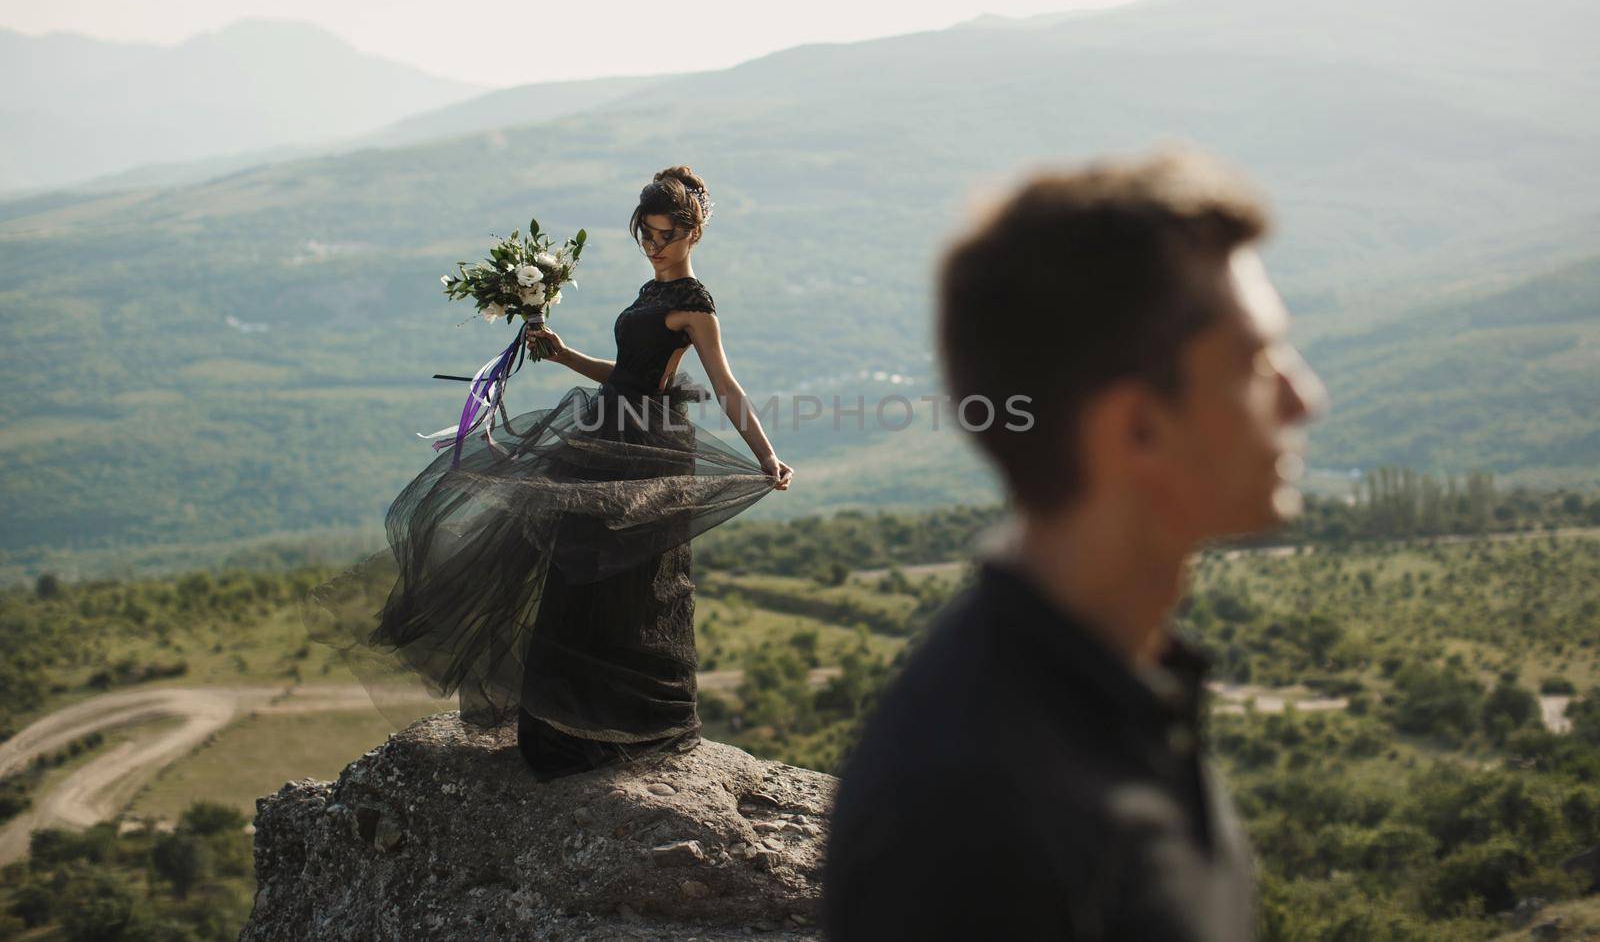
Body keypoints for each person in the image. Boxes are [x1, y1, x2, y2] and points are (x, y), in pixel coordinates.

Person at [821, 145, 1329, 940]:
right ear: (1138, 427)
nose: (1305, 397)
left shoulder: (1116, 687)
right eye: (1258, 358)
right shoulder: (970, 817)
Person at [305, 165, 794, 782]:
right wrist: (562, 355)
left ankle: (632, 725)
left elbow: (726, 385)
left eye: (664, 235)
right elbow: (627, 374)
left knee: (634, 583)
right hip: (608, 433)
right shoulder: (650, 295)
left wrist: (765, 455)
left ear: (694, 233)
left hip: (647, 448)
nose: (652, 245)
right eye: (644, 233)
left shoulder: (695, 304)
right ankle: (566, 722)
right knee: (577, 572)